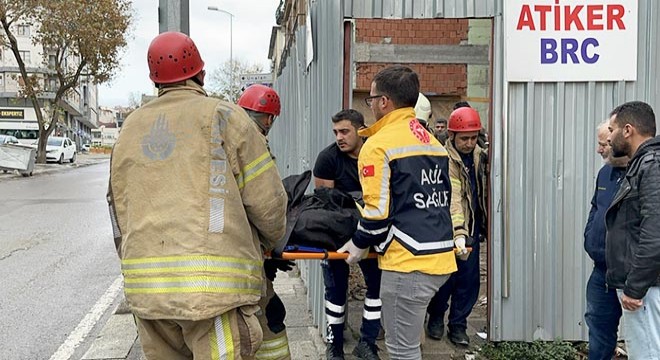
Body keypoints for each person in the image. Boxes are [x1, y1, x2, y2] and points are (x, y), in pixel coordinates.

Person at [107, 31, 287, 360]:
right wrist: (270, 243)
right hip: (212, 293)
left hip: (148, 293)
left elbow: (117, 212)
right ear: (201, 73)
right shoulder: (224, 117)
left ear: (154, 80)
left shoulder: (129, 128)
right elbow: (269, 205)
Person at [337, 65, 458, 359]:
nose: (371, 104)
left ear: (384, 102)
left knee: (401, 351)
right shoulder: (432, 142)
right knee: (409, 345)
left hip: (407, 264)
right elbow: (437, 198)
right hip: (441, 256)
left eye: (372, 98)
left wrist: (358, 243)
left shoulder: (378, 145)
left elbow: (377, 214)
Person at [313, 109, 382, 360]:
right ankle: (335, 346)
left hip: (373, 233)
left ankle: (368, 342)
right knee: (335, 290)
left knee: (377, 287)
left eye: (345, 131)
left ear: (360, 130)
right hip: (338, 235)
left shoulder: (376, 154)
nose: (339, 137)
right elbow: (325, 208)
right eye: (336, 132)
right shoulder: (327, 159)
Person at [237, 84, 293, 360]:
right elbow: (268, 208)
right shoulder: (253, 143)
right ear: (268, 118)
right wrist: (273, 246)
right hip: (243, 256)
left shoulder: (218, 137)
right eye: (270, 118)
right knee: (270, 316)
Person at [426, 106, 488, 346]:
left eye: (473, 137)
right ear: (452, 136)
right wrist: (459, 234)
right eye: (464, 138)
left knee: (469, 281)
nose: (469, 143)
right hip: (448, 229)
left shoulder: (480, 157)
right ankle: (436, 317)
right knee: (445, 280)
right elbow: (453, 200)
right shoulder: (443, 159)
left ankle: (458, 325)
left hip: (470, 227)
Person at [605, 100, 660, 359]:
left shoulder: (651, 166)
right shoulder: (643, 164)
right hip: (643, 288)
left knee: (648, 353)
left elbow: (655, 232)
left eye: (612, 129)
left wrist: (635, 287)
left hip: (646, 290)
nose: (609, 135)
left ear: (628, 130)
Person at [584, 121, 627, 360]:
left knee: (640, 337)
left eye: (603, 145)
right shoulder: (605, 173)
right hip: (601, 272)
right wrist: (590, 236)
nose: (599, 150)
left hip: (631, 276)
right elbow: (595, 207)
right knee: (598, 331)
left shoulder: (642, 174)